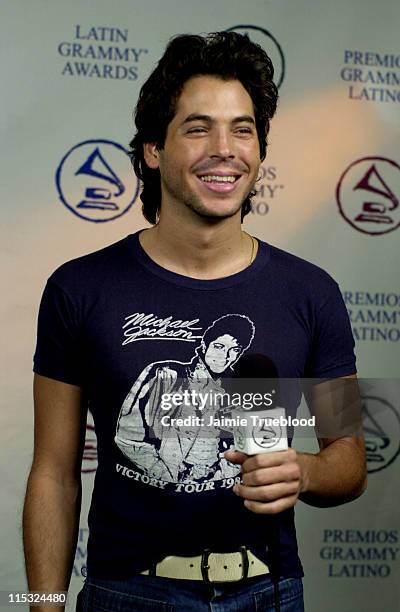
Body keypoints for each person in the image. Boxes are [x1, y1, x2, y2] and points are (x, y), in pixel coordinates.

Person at [23, 31, 367, 612]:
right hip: (126, 594)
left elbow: (350, 458)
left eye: (242, 129)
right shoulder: (79, 290)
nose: (224, 148)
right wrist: (40, 605)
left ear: (259, 151)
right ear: (153, 149)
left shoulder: (312, 293)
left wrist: (304, 472)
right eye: (198, 127)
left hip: (271, 593)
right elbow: (54, 474)